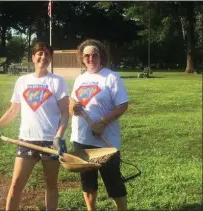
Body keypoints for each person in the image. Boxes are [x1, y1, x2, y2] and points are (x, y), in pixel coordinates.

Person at [0, 41, 69, 211]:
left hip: (51, 142)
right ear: (33, 57)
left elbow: (65, 113)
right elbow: (14, 109)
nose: (43, 57)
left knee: (51, 185)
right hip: (26, 140)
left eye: (47, 54)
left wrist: (59, 136)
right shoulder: (22, 81)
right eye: (40, 54)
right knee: (15, 185)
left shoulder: (57, 81)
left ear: (51, 59)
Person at [69, 39, 129, 211]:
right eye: (86, 55)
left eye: (94, 55)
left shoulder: (111, 77)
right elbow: (73, 101)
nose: (90, 58)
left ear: (100, 56)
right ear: (82, 58)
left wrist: (102, 122)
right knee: (87, 180)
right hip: (81, 138)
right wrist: (72, 106)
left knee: (113, 180)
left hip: (105, 140)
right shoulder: (80, 79)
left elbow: (122, 105)